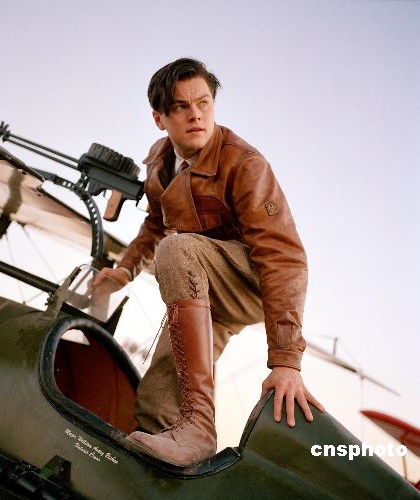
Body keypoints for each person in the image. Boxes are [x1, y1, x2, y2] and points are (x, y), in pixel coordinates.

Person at [91, 58, 324, 467]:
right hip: (201, 288)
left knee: (177, 249)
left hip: (249, 282)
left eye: (203, 103)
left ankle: (200, 426)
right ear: (159, 119)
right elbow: (155, 222)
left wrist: (286, 361)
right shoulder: (159, 160)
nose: (196, 114)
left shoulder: (245, 164)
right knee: (156, 404)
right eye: (181, 107)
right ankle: (167, 460)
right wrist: (125, 269)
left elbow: (283, 258)